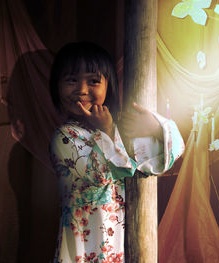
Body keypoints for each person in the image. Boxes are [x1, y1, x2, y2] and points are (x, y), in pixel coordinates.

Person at [49, 42, 184, 263]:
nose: (82, 90)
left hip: (117, 238)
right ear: (57, 86)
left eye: (93, 81)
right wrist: (107, 130)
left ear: (108, 86)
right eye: (72, 80)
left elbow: (158, 161)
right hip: (84, 239)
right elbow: (100, 175)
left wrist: (155, 129)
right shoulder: (64, 136)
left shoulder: (115, 131)